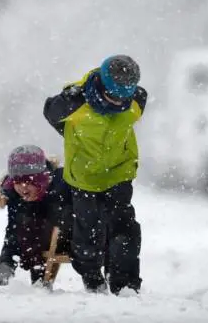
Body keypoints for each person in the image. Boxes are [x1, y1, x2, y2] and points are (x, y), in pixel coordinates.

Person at [43, 54, 146, 295]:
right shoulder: (73, 103)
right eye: (114, 96)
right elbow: (51, 112)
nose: (119, 102)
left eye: (124, 97)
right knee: (87, 232)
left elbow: (135, 103)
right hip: (84, 179)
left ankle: (125, 283)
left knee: (124, 228)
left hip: (119, 172)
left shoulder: (137, 100)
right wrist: (73, 138)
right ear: (102, 86)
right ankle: (92, 277)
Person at [0, 144, 72, 288]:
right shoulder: (16, 197)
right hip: (37, 244)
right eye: (18, 182)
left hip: (70, 236)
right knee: (27, 224)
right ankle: (38, 283)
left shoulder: (61, 185)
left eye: (29, 181)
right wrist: (6, 262)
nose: (23, 187)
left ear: (40, 179)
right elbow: (13, 232)